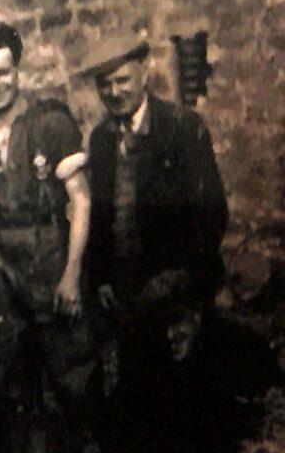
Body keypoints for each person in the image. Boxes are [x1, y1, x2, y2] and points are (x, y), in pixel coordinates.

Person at [0, 22, 107, 453]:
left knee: (72, 363)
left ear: (18, 71)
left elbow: (80, 200)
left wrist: (72, 274)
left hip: (47, 251)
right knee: (13, 370)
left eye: (3, 72)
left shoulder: (49, 123)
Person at [76, 34, 229, 391]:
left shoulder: (181, 127)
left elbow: (212, 214)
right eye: (105, 84)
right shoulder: (101, 140)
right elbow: (100, 216)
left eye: (122, 81)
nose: (114, 92)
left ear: (143, 74)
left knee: (186, 381)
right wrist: (100, 278)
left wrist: (177, 277)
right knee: (138, 383)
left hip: (177, 281)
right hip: (127, 286)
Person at [107, 270, 280, 453]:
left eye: (176, 319)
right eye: (161, 325)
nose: (170, 335)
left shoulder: (238, 347)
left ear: (197, 313)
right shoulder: (156, 359)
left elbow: (267, 413)